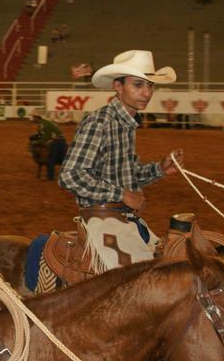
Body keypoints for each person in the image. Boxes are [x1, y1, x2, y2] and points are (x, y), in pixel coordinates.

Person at [59, 50, 184, 271]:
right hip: (103, 220)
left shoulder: (126, 125)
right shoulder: (100, 122)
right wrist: (122, 195)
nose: (146, 92)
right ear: (118, 86)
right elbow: (71, 175)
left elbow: (126, 174)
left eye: (150, 86)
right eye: (138, 85)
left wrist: (160, 169)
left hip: (123, 221)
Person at [29, 111, 67, 180]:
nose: (32, 119)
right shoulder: (43, 124)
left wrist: (36, 142)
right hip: (59, 140)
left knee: (50, 159)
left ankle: (50, 176)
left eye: (33, 117)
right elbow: (41, 134)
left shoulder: (44, 125)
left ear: (37, 118)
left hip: (57, 141)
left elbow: (45, 137)